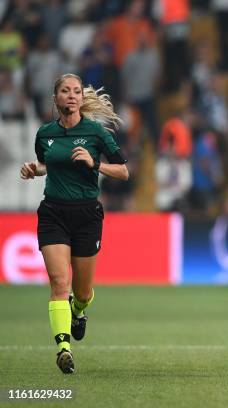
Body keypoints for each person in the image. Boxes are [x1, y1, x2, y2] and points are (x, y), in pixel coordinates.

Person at [19, 73, 129, 374]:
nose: (71, 96)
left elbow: (123, 172)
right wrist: (34, 169)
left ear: (82, 98)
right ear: (55, 99)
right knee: (59, 283)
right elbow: (48, 163)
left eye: (76, 91)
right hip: (53, 212)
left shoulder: (96, 133)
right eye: (65, 91)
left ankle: (79, 313)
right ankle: (63, 349)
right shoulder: (45, 134)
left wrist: (96, 164)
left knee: (81, 293)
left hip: (86, 215)